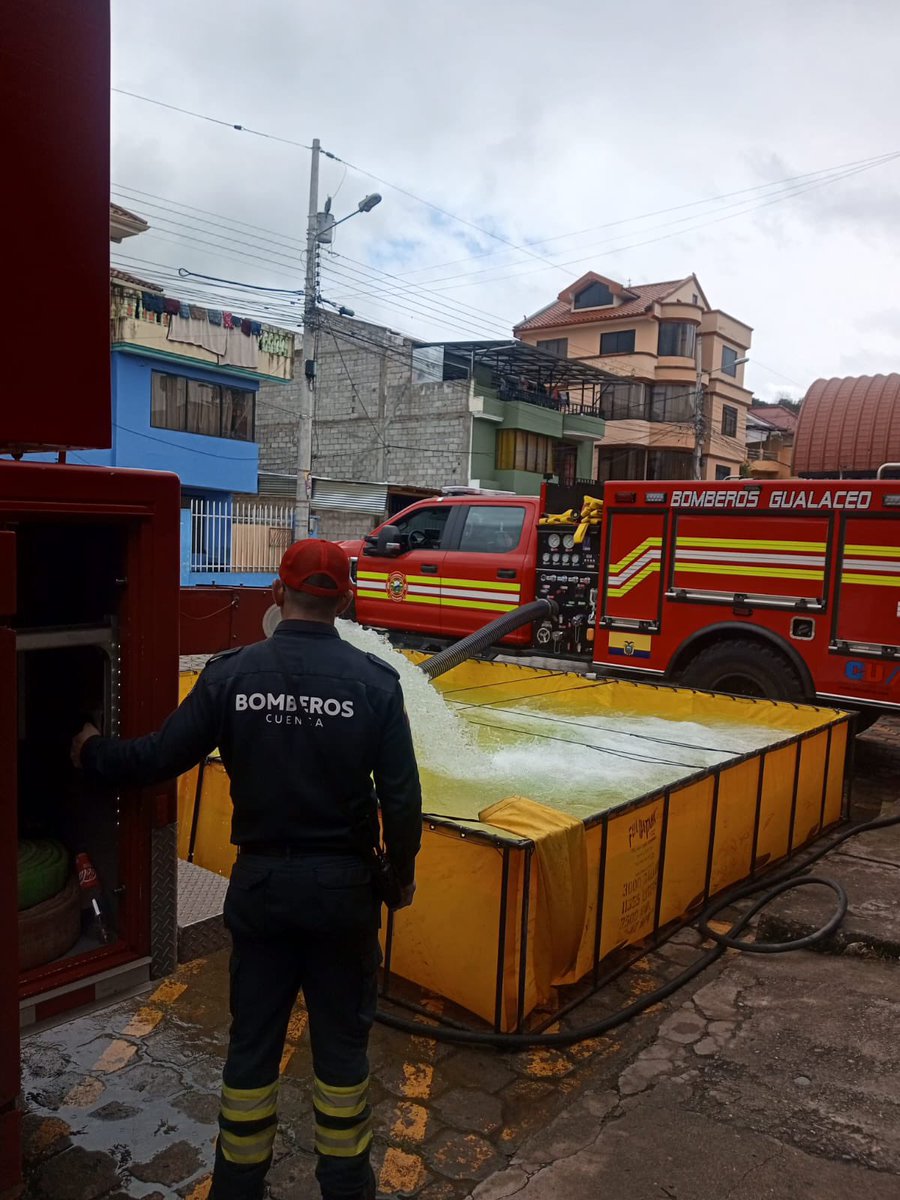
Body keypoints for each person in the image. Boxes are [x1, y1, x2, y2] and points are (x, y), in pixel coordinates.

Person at [71, 538, 423, 1200]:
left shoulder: (232, 676)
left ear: (276, 594)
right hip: (344, 896)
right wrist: (399, 877)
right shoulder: (375, 685)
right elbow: (404, 802)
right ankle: (346, 1186)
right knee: (343, 1056)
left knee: (252, 1053)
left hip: (262, 891)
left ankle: (237, 1186)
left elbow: (155, 758)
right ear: (345, 600)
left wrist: (92, 751)